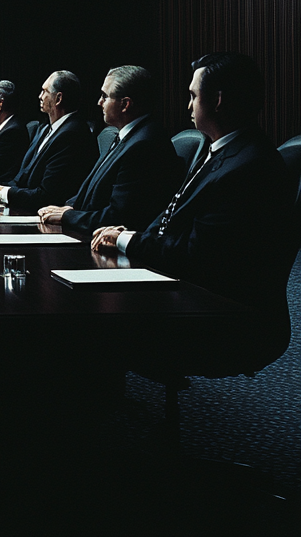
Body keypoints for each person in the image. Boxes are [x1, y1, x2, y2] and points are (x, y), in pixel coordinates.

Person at [92, 53, 294, 373]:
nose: (188, 106)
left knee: (89, 319)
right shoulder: (224, 150)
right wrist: (131, 237)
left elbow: (194, 256)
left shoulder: (248, 166)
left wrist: (128, 240)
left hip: (221, 315)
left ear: (217, 100)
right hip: (191, 288)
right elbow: (171, 217)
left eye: (193, 96)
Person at [38, 66, 180, 231]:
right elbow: (92, 191)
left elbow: (118, 217)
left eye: (105, 96)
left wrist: (68, 216)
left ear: (125, 104)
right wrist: (69, 208)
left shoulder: (144, 145)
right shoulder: (129, 135)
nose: (99, 102)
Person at [0, 71, 96, 211]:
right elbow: (22, 178)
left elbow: (47, 195)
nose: (40, 96)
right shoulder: (45, 129)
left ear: (58, 98)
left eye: (44, 91)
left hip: (47, 216)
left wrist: (1, 193)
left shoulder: (72, 134)